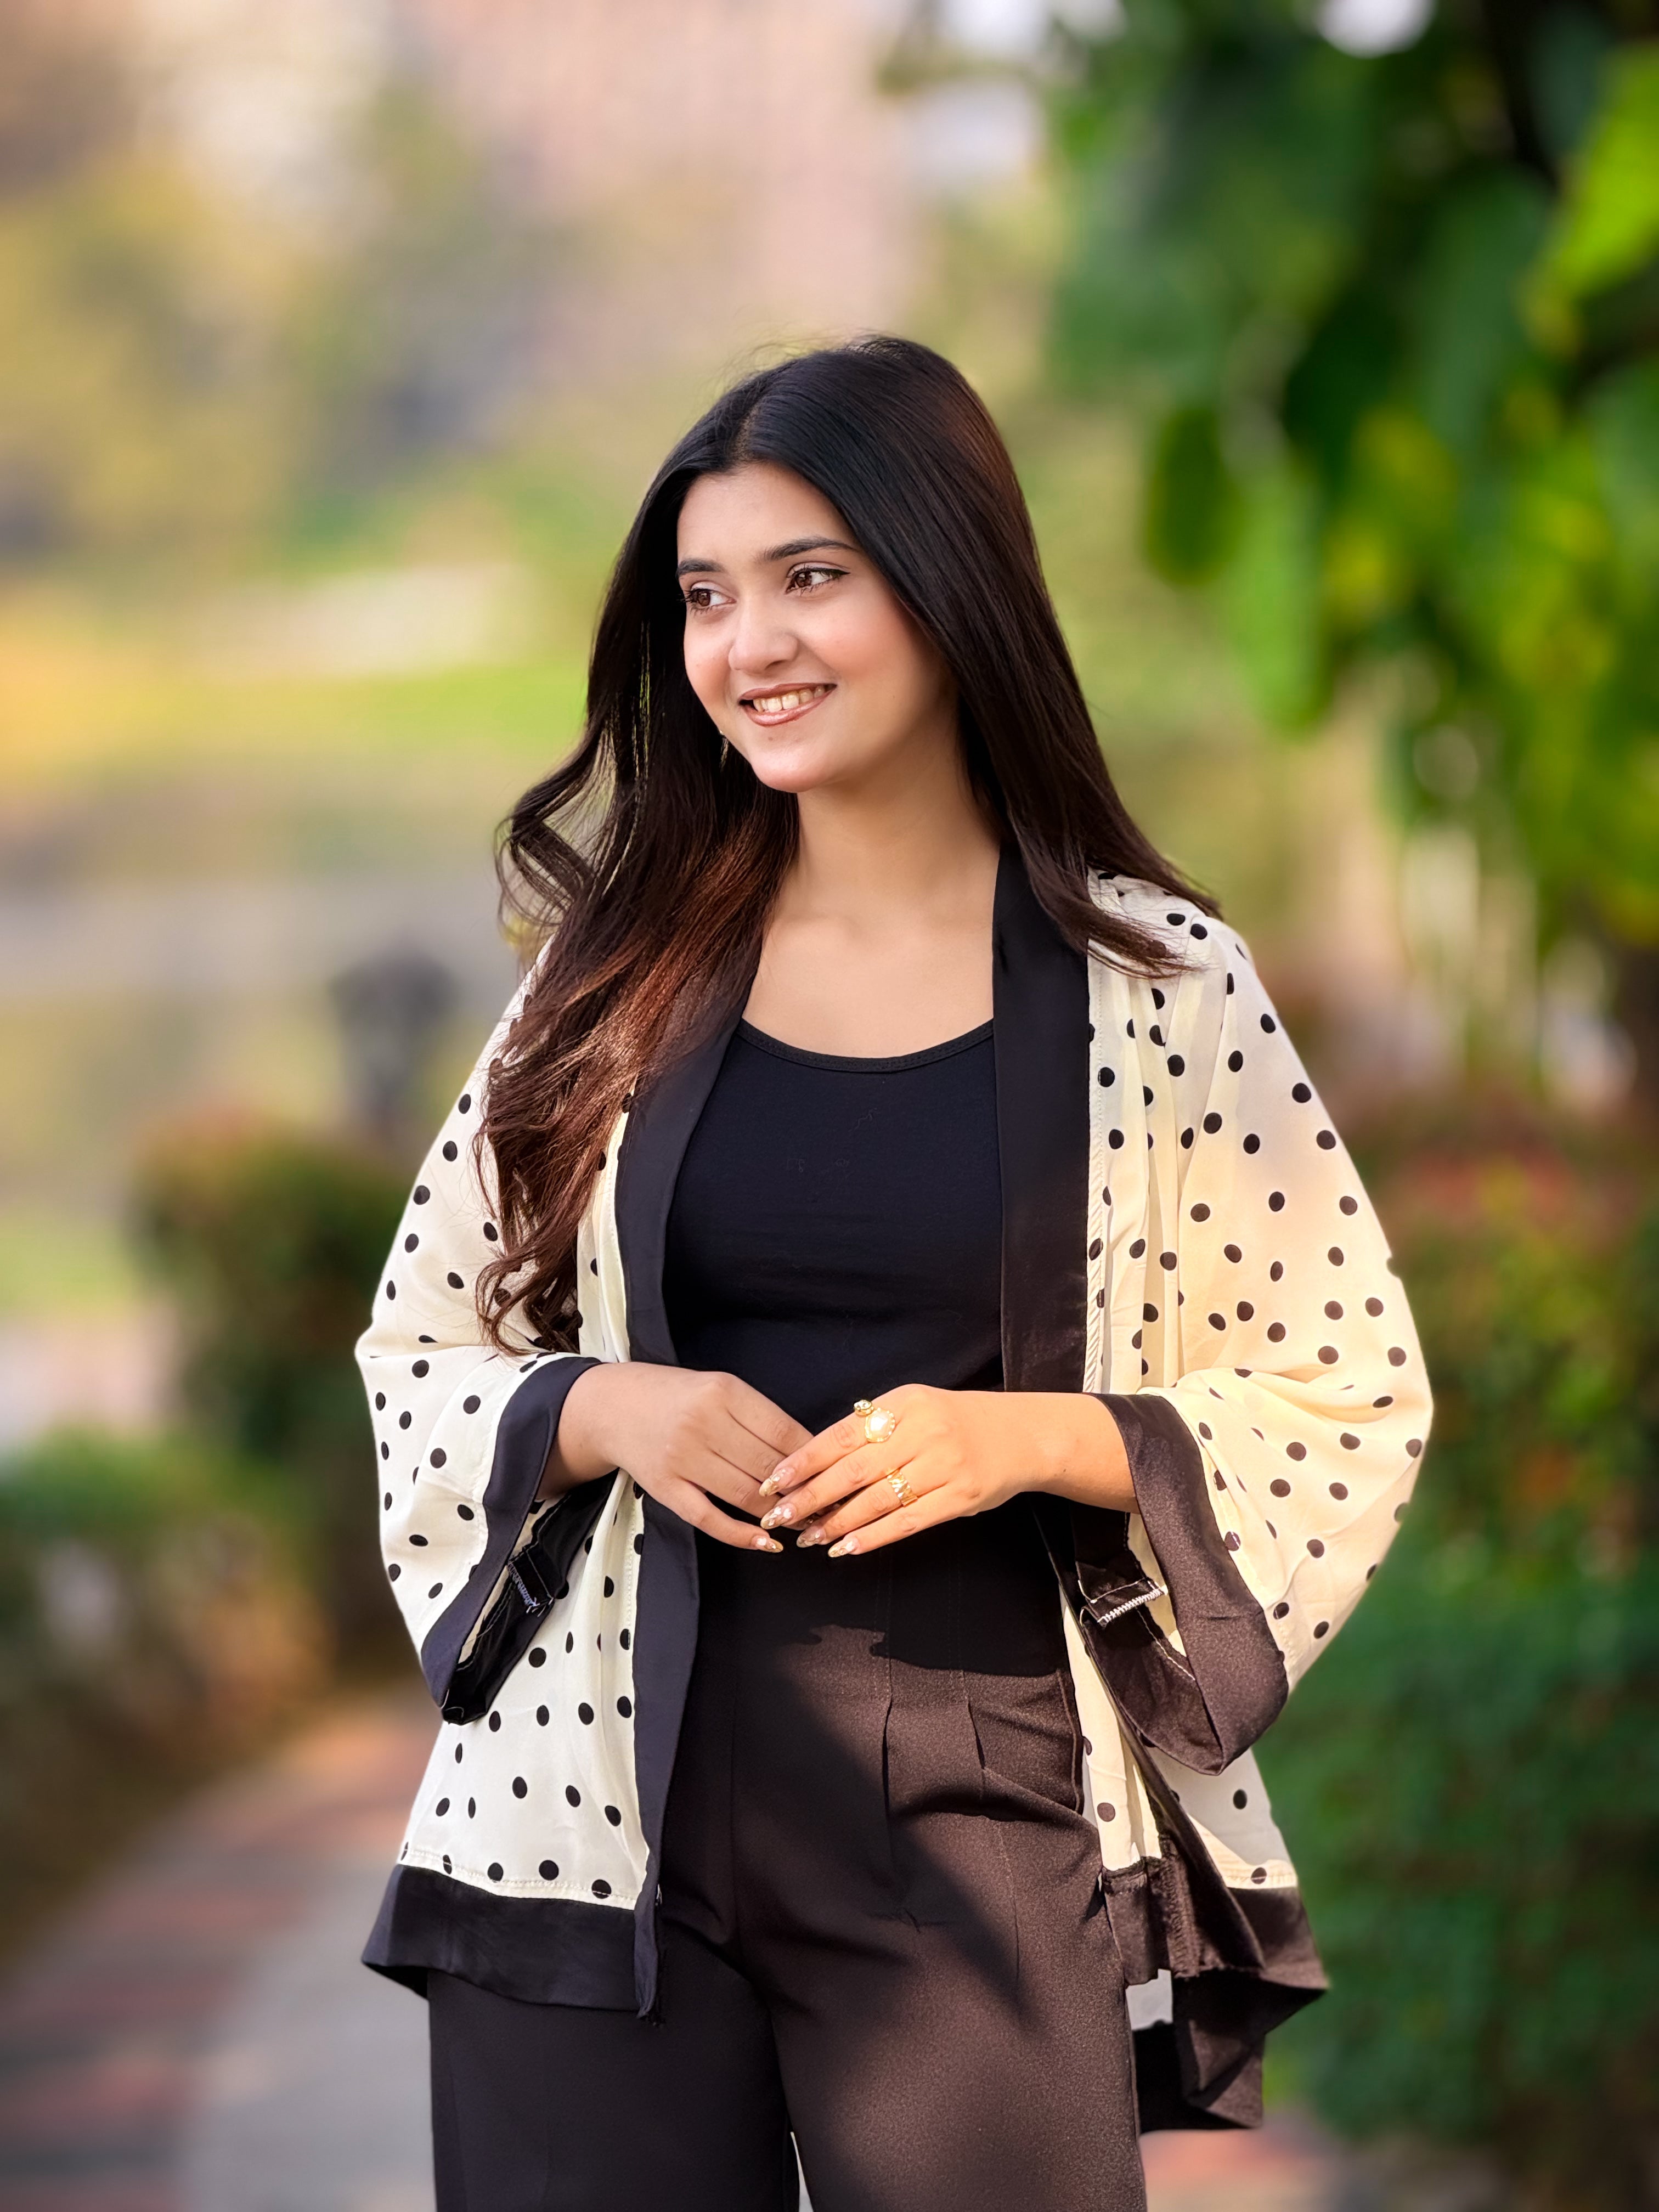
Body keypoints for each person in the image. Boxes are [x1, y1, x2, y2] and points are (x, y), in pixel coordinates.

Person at [356, 337, 1431, 2212]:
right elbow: (423, 1340)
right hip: (591, 1821)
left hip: (982, 1825)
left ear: (947, 581)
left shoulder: (1161, 994)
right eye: (704, 596)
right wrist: (606, 1404)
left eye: (809, 578)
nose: (746, 644)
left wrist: (1039, 1438)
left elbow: (1349, 1393)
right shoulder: (614, 973)